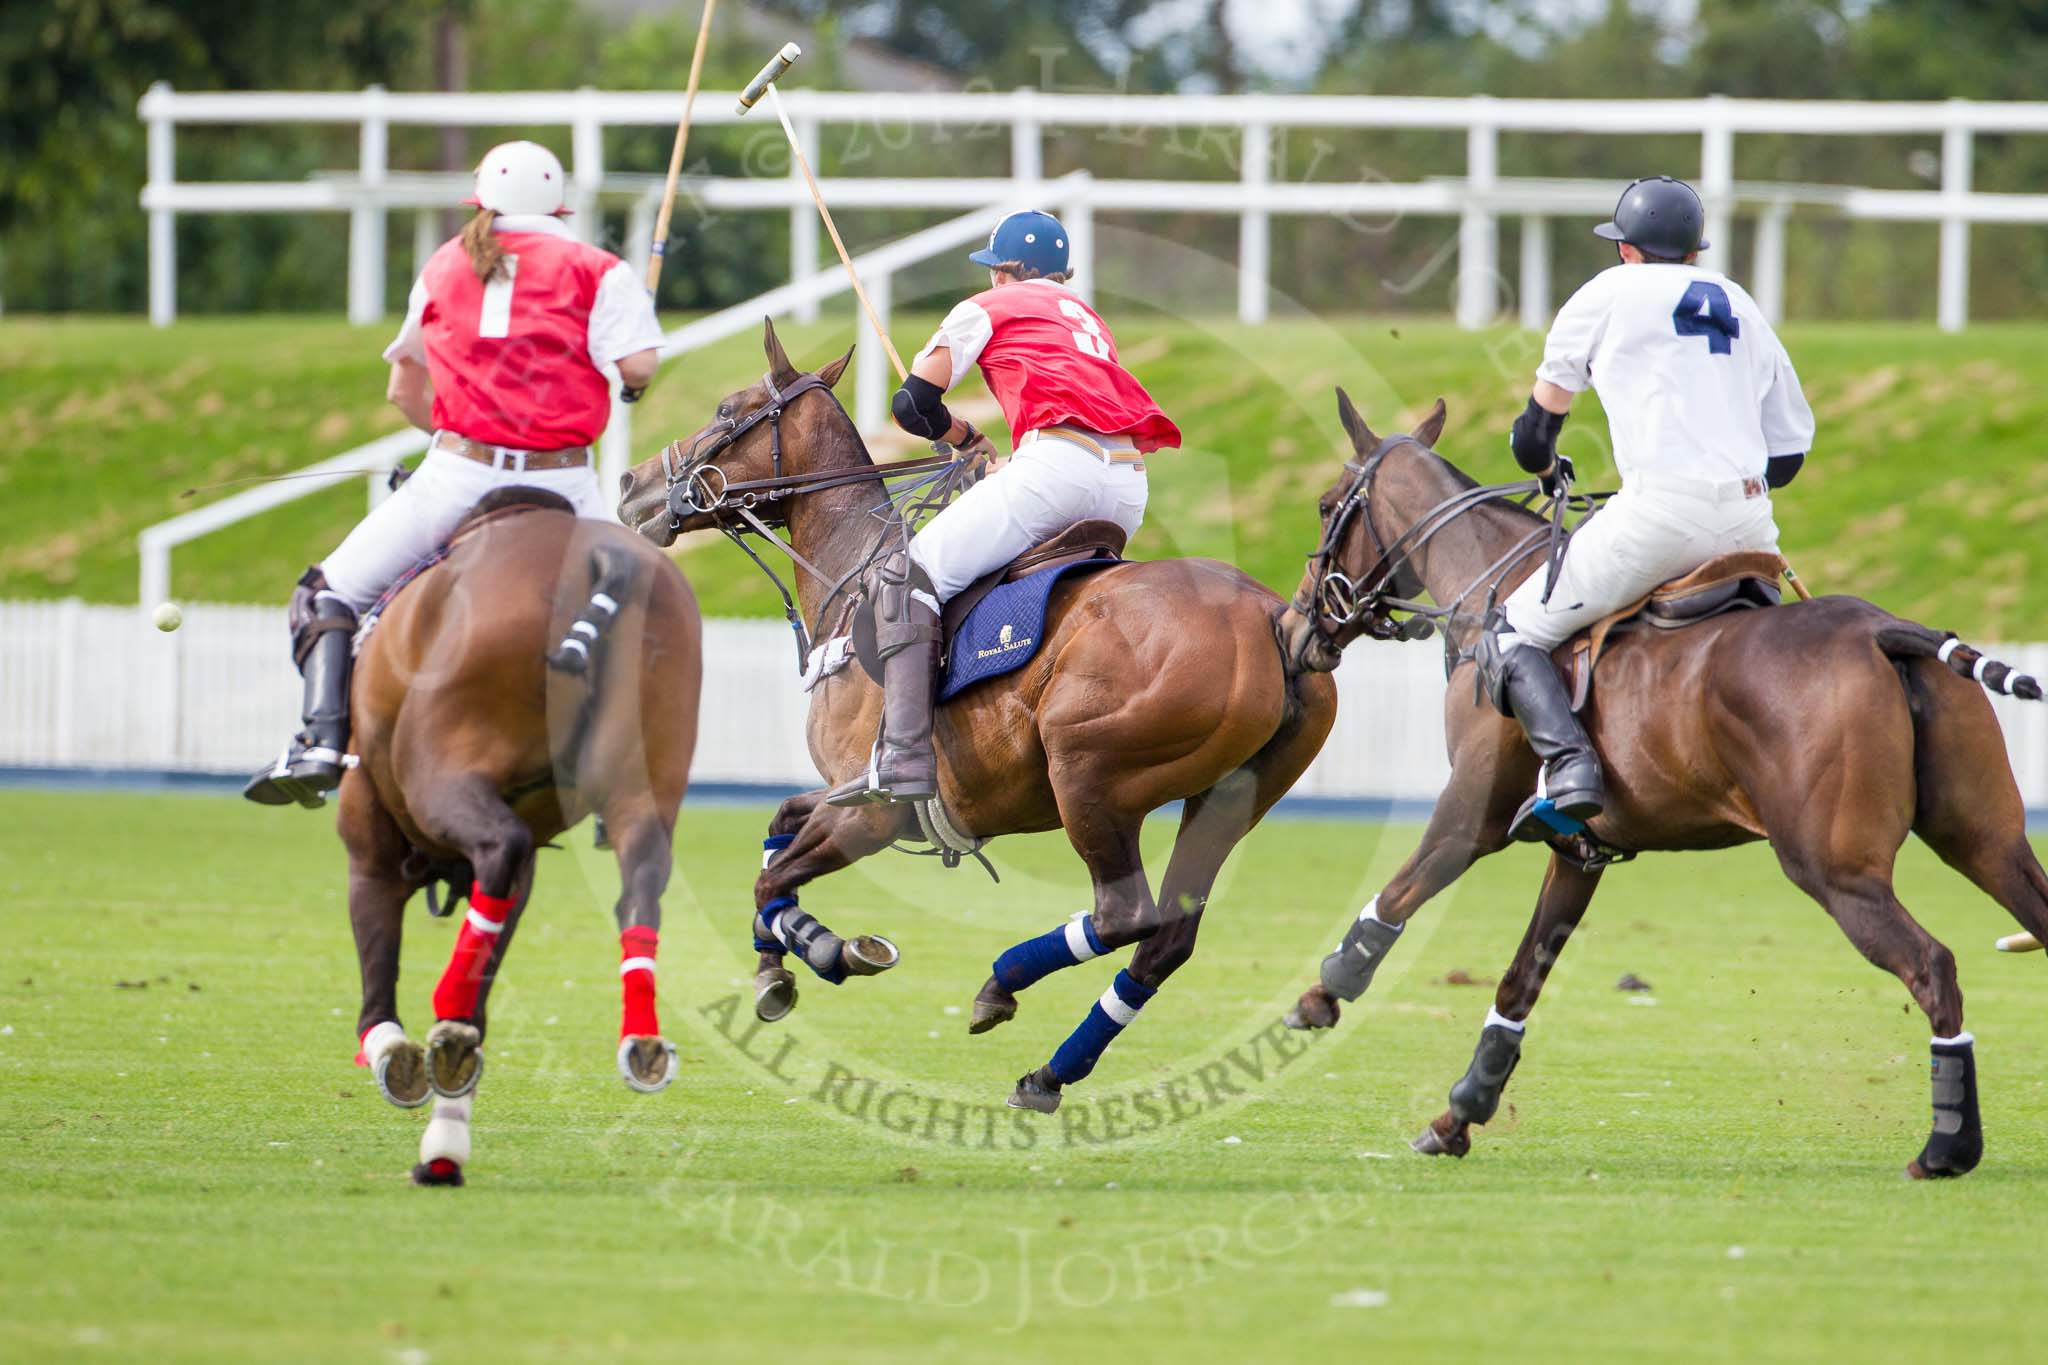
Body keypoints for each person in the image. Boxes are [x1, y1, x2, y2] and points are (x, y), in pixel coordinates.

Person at [244, 140, 664, 808]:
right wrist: (636, 323)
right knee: (643, 598)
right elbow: (638, 369)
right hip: (565, 483)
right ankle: (626, 762)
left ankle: (321, 741)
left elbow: (403, 392)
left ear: (481, 201)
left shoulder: (444, 263)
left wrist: (456, 436)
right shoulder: (599, 269)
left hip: (458, 476)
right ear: (559, 204)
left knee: (327, 595)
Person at [1487, 174, 1815, 840]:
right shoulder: (1739, 300)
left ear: (1626, 249)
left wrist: (1551, 470)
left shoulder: (1604, 294)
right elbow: (1789, 454)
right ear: (1695, 252)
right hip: (1753, 524)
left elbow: (1531, 439)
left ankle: (1573, 770)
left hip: (1659, 517)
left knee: (1509, 632)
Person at [826, 209, 1182, 807]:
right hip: (1125, 484)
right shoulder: (1086, 317)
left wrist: (963, 436)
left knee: (907, 574)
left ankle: (904, 755)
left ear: (1005, 272)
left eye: (995, 271)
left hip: (1057, 468)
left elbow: (912, 405)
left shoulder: (987, 306)